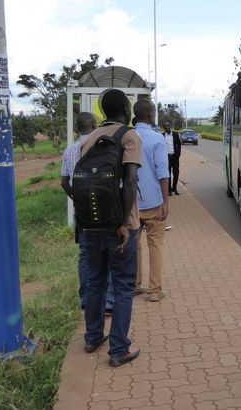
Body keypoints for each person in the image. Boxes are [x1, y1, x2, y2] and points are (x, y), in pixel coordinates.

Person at [79, 88, 141, 367]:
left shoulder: (90, 138)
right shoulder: (129, 136)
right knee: (125, 285)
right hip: (121, 225)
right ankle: (118, 349)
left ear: (103, 112)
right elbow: (129, 182)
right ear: (126, 110)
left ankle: (92, 337)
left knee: (95, 281)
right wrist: (124, 223)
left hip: (91, 224)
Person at [60, 112, 115, 316]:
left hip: (82, 211)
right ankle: (109, 301)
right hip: (105, 210)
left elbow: (64, 182)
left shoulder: (70, 150)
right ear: (94, 125)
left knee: (85, 255)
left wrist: (77, 198)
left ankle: (85, 300)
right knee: (108, 252)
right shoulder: (102, 147)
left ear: (77, 128)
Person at [133, 99, 169, 302]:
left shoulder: (127, 137)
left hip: (132, 204)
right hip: (154, 201)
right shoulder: (157, 139)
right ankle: (155, 291)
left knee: (134, 245)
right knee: (155, 245)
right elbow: (163, 173)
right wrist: (166, 201)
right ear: (150, 115)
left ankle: (135, 286)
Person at [161, 120, 181, 195]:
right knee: (168, 174)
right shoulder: (162, 135)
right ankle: (169, 190)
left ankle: (174, 189)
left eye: (168, 125)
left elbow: (179, 144)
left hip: (175, 157)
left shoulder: (175, 134)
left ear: (170, 126)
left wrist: (178, 154)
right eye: (165, 126)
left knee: (176, 173)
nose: (166, 127)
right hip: (166, 157)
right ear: (163, 128)